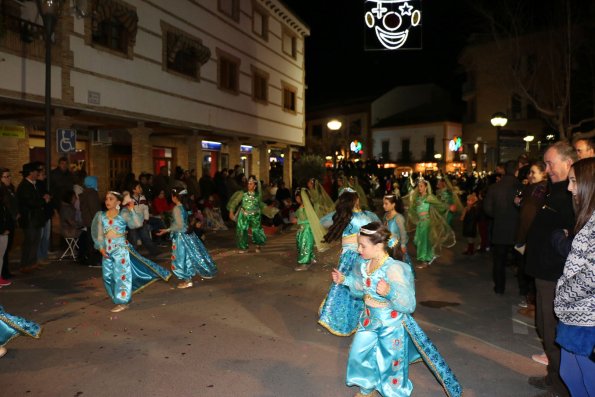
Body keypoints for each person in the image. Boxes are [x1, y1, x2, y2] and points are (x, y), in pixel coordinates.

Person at [331, 222, 462, 397]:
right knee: (358, 353)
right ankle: (367, 387)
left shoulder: (393, 268)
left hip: (389, 324)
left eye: (363, 245)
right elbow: (361, 286)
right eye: (359, 245)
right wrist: (345, 280)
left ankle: (394, 393)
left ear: (378, 246)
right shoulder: (365, 264)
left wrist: (390, 291)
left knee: (390, 363)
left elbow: (409, 303)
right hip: (368, 320)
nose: (359, 249)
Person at [525, 142, 576, 397]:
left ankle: (560, 388)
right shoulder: (555, 190)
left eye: (550, 163)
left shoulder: (571, 195)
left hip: (554, 275)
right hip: (543, 273)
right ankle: (553, 378)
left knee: (553, 332)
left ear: (568, 163)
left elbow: (570, 239)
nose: (547, 169)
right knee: (545, 329)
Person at [553, 158, 595, 397]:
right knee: (570, 375)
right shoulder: (588, 217)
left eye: (574, 181)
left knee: (589, 382)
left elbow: (592, 275)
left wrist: (562, 295)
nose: (569, 188)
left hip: (587, 321)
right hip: (575, 315)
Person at [91, 191, 171, 313]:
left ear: (118, 202)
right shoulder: (101, 216)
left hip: (121, 250)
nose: (107, 201)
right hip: (107, 250)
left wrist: (132, 209)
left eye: (111, 199)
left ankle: (122, 301)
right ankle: (119, 298)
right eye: (106, 199)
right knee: (107, 276)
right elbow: (99, 234)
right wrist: (101, 248)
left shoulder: (123, 214)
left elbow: (137, 224)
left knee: (120, 276)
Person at [318, 189, 380, 336]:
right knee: (359, 286)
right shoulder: (364, 216)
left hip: (352, 257)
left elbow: (323, 222)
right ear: (356, 199)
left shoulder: (347, 216)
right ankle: (359, 319)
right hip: (361, 257)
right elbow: (378, 227)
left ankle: (340, 317)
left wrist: (339, 215)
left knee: (347, 287)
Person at [156, 189, 217, 289]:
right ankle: (188, 279)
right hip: (188, 234)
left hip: (181, 236)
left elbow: (179, 225)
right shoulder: (184, 207)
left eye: (172, 195)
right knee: (188, 257)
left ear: (175, 197)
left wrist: (167, 230)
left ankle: (187, 280)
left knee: (181, 259)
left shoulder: (177, 208)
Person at [483, 160, 521, 295]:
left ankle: (499, 288)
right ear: (516, 171)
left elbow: (487, 209)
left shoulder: (494, 187)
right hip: (518, 230)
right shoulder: (521, 187)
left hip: (499, 228)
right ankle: (523, 290)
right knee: (520, 260)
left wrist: (498, 216)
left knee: (499, 260)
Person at [406, 177, 455, 268]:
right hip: (420, 223)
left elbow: (440, 204)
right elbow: (414, 209)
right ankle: (428, 257)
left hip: (426, 222)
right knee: (417, 241)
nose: (419, 188)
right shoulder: (418, 198)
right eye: (419, 186)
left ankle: (425, 261)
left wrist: (448, 207)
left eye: (421, 186)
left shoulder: (429, 197)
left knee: (424, 242)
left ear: (426, 187)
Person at [16, 163, 49, 273]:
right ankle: (25, 264)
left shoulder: (33, 184)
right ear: (30, 173)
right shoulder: (24, 186)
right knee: (29, 242)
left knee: (35, 241)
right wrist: (43, 200)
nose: (37, 173)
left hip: (35, 219)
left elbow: (36, 198)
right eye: (36, 171)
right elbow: (30, 202)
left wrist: (43, 198)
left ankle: (32, 262)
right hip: (29, 219)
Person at [227, 175, 266, 254]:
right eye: (248, 183)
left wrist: (267, 209)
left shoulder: (258, 195)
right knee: (241, 229)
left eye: (251, 184)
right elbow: (234, 202)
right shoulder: (243, 194)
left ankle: (258, 244)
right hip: (244, 213)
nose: (249, 185)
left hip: (255, 214)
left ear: (255, 186)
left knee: (256, 230)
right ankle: (243, 247)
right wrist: (231, 211)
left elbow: (260, 204)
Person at [293, 188, 329, 271]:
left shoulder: (306, 206)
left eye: (297, 197)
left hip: (306, 229)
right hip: (304, 228)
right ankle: (311, 258)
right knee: (307, 244)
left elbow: (311, 219)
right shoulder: (306, 205)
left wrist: (297, 220)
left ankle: (304, 264)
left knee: (304, 246)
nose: (296, 199)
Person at [382, 194, 414, 277]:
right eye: (383, 203)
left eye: (386, 204)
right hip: (386, 246)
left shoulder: (398, 217)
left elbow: (403, 232)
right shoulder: (386, 216)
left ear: (393, 205)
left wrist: (403, 245)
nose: (383, 206)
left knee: (398, 266)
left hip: (396, 247)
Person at [78, 176, 102, 267]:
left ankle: (91, 260)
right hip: (93, 221)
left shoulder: (85, 193)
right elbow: (94, 208)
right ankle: (94, 261)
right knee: (94, 241)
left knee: (90, 240)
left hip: (88, 220)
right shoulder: (92, 193)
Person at [0, 168, 18, 279]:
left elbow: (14, 203)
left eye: (9, 176)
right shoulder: (2, 191)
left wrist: (16, 213)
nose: (8, 178)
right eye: (5, 177)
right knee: (3, 251)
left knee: (7, 248)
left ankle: (5, 271)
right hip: (5, 223)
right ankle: (3, 273)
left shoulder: (11, 189)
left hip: (11, 221)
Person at [0, 188, 13, 287]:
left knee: (1, 257)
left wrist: (8, 228)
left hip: (4, 233)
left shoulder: (3, 205)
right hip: (1, 233)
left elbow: (7, 217)